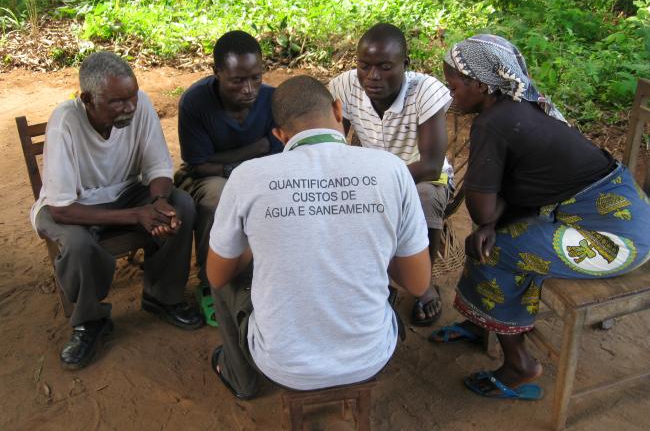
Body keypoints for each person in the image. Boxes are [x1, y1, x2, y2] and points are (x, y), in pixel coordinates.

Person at [431, 34, 650, 400]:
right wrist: (491, 219)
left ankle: (520, 364)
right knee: (491, 233)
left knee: (494, 246)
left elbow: (482, 210)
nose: (448, 90)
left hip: (619, 239)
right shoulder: (520, 103)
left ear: (481, 84)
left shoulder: (493, 123)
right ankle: (484, 321)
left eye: (452, 82)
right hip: (617, 210)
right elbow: (518, 195)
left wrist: (490, 222)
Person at [206, 75, 432, 398]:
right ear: (338, 110)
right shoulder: (392, 170)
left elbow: (216, 274)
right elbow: (419, 283)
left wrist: (262, 243)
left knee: (223, 271)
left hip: (280, 364)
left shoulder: (247, 177)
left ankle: (239, 376)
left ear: (280, 134)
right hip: (370, 355)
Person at [31, 51, 203, 370]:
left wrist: (157, 202)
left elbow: (158, 167)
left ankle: (162, 296)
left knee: (182, 205)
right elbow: (61, 208)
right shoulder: (65, 122)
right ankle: (90, 322)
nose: (129, 107)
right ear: (87, 99)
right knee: (80, 245)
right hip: (72, 207)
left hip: (126, 192)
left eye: (132, 97)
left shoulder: (141, 106)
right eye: (116, 102)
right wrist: (136, 215)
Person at [328, 23, 452, 327]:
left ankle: (423, 285)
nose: (373, 76)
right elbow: (331, 147)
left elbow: (432, 164)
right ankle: (369, 279)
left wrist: (375, 183)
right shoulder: (344, 87)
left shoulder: (425, 90)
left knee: (424, 200)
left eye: (385, 67)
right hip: (370, 176)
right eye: (364, 65)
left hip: (421, 177)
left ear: (404, 65)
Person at [175, 30, 282, 324]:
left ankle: (265, 271)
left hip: (255, 173)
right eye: (238, 80)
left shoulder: (272, 100)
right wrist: (252, 151)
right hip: (206, 179)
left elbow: (275, 153)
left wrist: (226, 160)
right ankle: (211, 281)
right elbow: (198, 165)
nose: (249, 89)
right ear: (217, 74)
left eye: (256, 78)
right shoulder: (195, 103)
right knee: (221, 197)